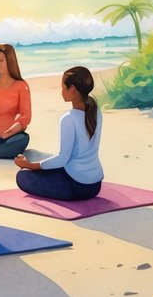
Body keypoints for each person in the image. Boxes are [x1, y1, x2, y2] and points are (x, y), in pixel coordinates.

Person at [13, 66, 103, 201]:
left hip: (77, 186)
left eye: (63, 87)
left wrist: (29, 166)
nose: (61, 92)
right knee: (32, 155)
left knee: (22, 176)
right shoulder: (96, 112)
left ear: (72, 89)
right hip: (95, 184)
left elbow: (62, 159)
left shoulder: (69, 118)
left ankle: (31, 166)